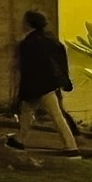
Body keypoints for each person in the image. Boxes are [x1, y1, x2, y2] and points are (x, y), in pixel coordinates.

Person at [7, 9, 82, 154]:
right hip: (49, 83)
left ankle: (71, 146)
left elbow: (28, 68)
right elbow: (60, 61)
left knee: (54, 114)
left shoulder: (28, 43)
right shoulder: (52, 40)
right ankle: (19, 140)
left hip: (38, 84)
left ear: (28, 24)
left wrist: (22, 88)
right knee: (28, 112)